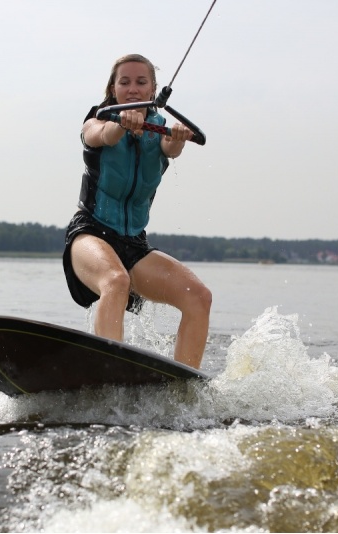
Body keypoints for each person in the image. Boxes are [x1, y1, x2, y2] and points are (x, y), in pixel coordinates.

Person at [62, 53, 212, 369]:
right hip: (90, 234)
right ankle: (110, 372)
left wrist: (180, 137)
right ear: (113, 89)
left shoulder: (159, 132)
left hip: (134, 245)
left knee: (199, 296)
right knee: (115, 281)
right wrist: (121, 124)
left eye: (141, 82)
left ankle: (183, 390)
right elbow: (100, 136)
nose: (133, 88)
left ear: (153, 91)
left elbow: (170, 149)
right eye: (125, 82)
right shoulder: (96, 120)